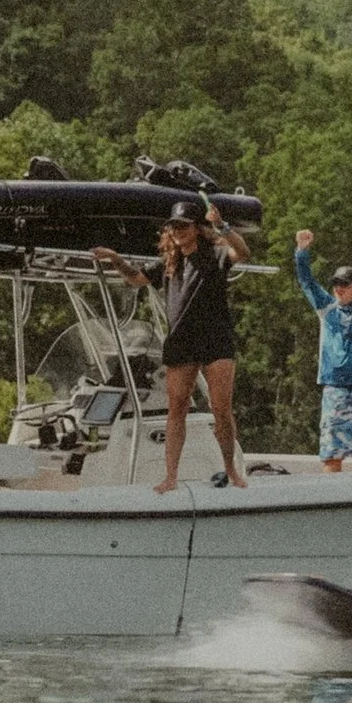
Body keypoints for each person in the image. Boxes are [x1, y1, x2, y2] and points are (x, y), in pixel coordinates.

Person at [91, 199, 251, 492]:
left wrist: (221, 226)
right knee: (176, 408)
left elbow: (242, 252)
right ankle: (171, 477)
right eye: (173, 226)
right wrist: (115, 258)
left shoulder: (215, 255)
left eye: (183, 225)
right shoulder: (167, 263)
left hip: (216, 338)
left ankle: (231, 469)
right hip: (181, 340)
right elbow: (135, 279)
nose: (177, 230)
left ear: (196, 228)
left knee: (221, 410)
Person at [291, 221, 352, 472]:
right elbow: (307, 282)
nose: (338, 289)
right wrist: (302, 251)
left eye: (345, 285)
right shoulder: (327, 308)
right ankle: (331, 486)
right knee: (332, 451)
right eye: (336, 284)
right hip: (335, 387)